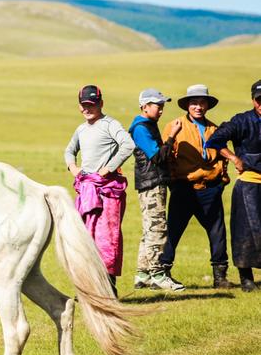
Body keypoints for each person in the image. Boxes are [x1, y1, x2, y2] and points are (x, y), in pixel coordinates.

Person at [160, 84, 233, 288]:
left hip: (210, 188)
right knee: (173, 230)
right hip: (184, 187)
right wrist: (174, 183)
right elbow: (166, 156)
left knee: (217, 231)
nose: (198, 107)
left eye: (202, 103)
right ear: (187, 105)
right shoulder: (174, 126)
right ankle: (162, 272)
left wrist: (221, 181)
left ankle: (220, 277)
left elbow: (222, 158)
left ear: (207, 105)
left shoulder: (214, 129)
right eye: (194, 103)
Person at [64, 85, 135, 295]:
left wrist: (109, 168)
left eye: (92, 104)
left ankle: (109, 289)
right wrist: (73, 167)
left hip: (108, 191)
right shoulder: (81, 129)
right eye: (84, 105)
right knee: (86, 239)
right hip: (87, 190)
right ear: (79, 106)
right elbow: (69, 150)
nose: (88, 109)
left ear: (101, 103)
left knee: (107, 238)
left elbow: (128, 145)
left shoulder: (110, 124)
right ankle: (89, 290)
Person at [205, 79, 261, 292]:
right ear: (253, 100)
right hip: (249, 184)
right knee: (246, 231)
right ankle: (246, 278)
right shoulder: (241, 121)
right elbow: (215, 140)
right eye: (259, 100)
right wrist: (234, 158)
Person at [128, 88, 185, 291]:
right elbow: (157, 157)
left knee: (149, 229)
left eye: (162, 106)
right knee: (157, 229)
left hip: (152, 182)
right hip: (151, 183)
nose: (161, 110)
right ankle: (158, 274)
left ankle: (142, 274)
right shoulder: (141, 128)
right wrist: (171, 137)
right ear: (144, 106)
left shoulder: (148, 125)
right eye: (157, 106)